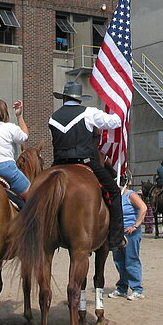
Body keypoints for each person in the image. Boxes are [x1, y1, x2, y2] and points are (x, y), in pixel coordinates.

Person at [49, 81, 126, 251]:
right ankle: (115, 238)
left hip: (57, 164)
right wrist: (121, 106)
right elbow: (115, 122)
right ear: (79, 99)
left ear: (64, 98)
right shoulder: (88, 113)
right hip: (83, 161)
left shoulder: (53, 117)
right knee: (114, 192)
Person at [108, 175, 148, 301]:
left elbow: (143, 208)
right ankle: (122, 287)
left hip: (130, 232)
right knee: (118, 260)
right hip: (117, 232)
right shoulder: (114, 197)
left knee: (131, 260)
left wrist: (135, 225)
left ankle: (137, 289)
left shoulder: (130, 195)